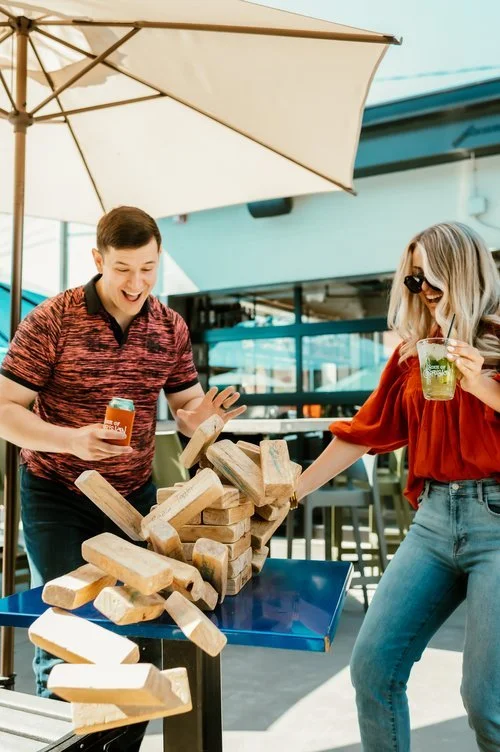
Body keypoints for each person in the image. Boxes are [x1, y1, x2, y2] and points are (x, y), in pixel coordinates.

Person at [0, 206, 245, 751]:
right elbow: (5, 408)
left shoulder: (169, 326)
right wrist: (69, 438)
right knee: (72, 634)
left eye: (149, 268)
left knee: (138, 630)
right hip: (57, 490)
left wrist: (204, 419)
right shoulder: (52, 320)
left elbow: (184, 406)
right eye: (123, 269)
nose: (137, 283)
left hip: (132, 497)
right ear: (97, 260)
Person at [296, 222, 500, 752]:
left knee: (487, 703)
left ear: (464, 272)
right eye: (413, 283)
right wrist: (293, 491)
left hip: (497, 521)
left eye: (433, 280)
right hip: (432, 520)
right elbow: (363, 432)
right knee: (373, 669)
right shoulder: (413, 354)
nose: (425, 293)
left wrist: (480, 381)